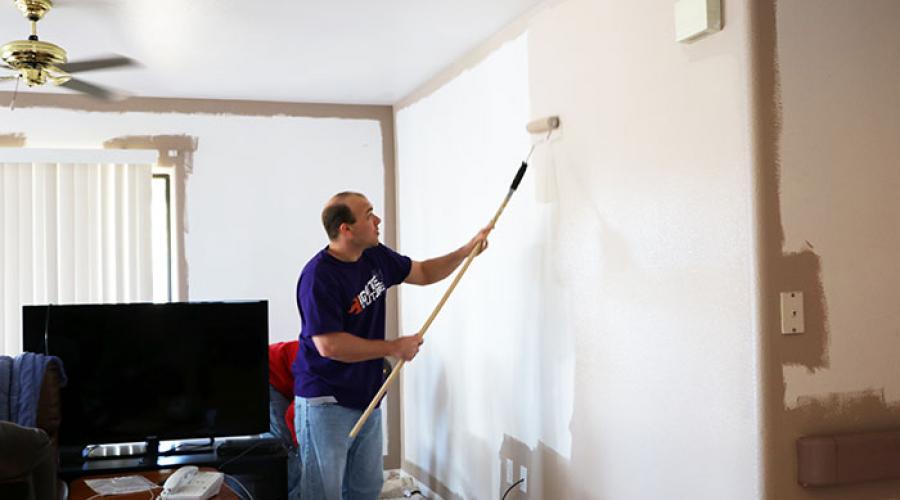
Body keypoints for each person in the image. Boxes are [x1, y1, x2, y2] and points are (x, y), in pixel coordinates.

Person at [292, 191, 489, 500]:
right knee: (323, 494)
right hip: (325, 400)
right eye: (369, 214)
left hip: (367, 396)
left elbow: (422, 272)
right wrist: (393, 347)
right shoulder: (319, 277)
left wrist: (465, 251)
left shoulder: (375, 256)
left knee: (366, 490)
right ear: (346, 229)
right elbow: (329, 345)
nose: (377, 219)